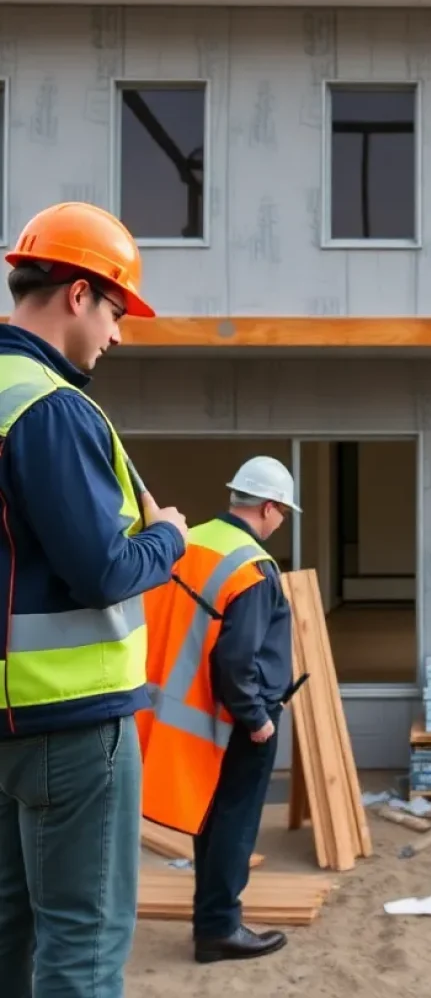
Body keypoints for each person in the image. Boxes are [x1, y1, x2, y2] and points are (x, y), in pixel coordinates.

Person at [0, 202, 188, 997]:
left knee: (10, 933)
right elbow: (104, 570)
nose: (117, 334)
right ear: (78, 294)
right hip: (73, 726)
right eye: (116, 311)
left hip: (8, 722)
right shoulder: (52, 407)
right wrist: (169, 537)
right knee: (82, 945)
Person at [139, 455, 300, 964]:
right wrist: (257, 719)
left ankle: (211, 922)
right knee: (233, 822)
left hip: (183, 710)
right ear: (270, 508)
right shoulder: (252, 567)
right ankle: (218, 929)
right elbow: (237, 658)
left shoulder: (190, 539)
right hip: (235, 718)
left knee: (211, 818)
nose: (282, 520)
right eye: (284, 512)